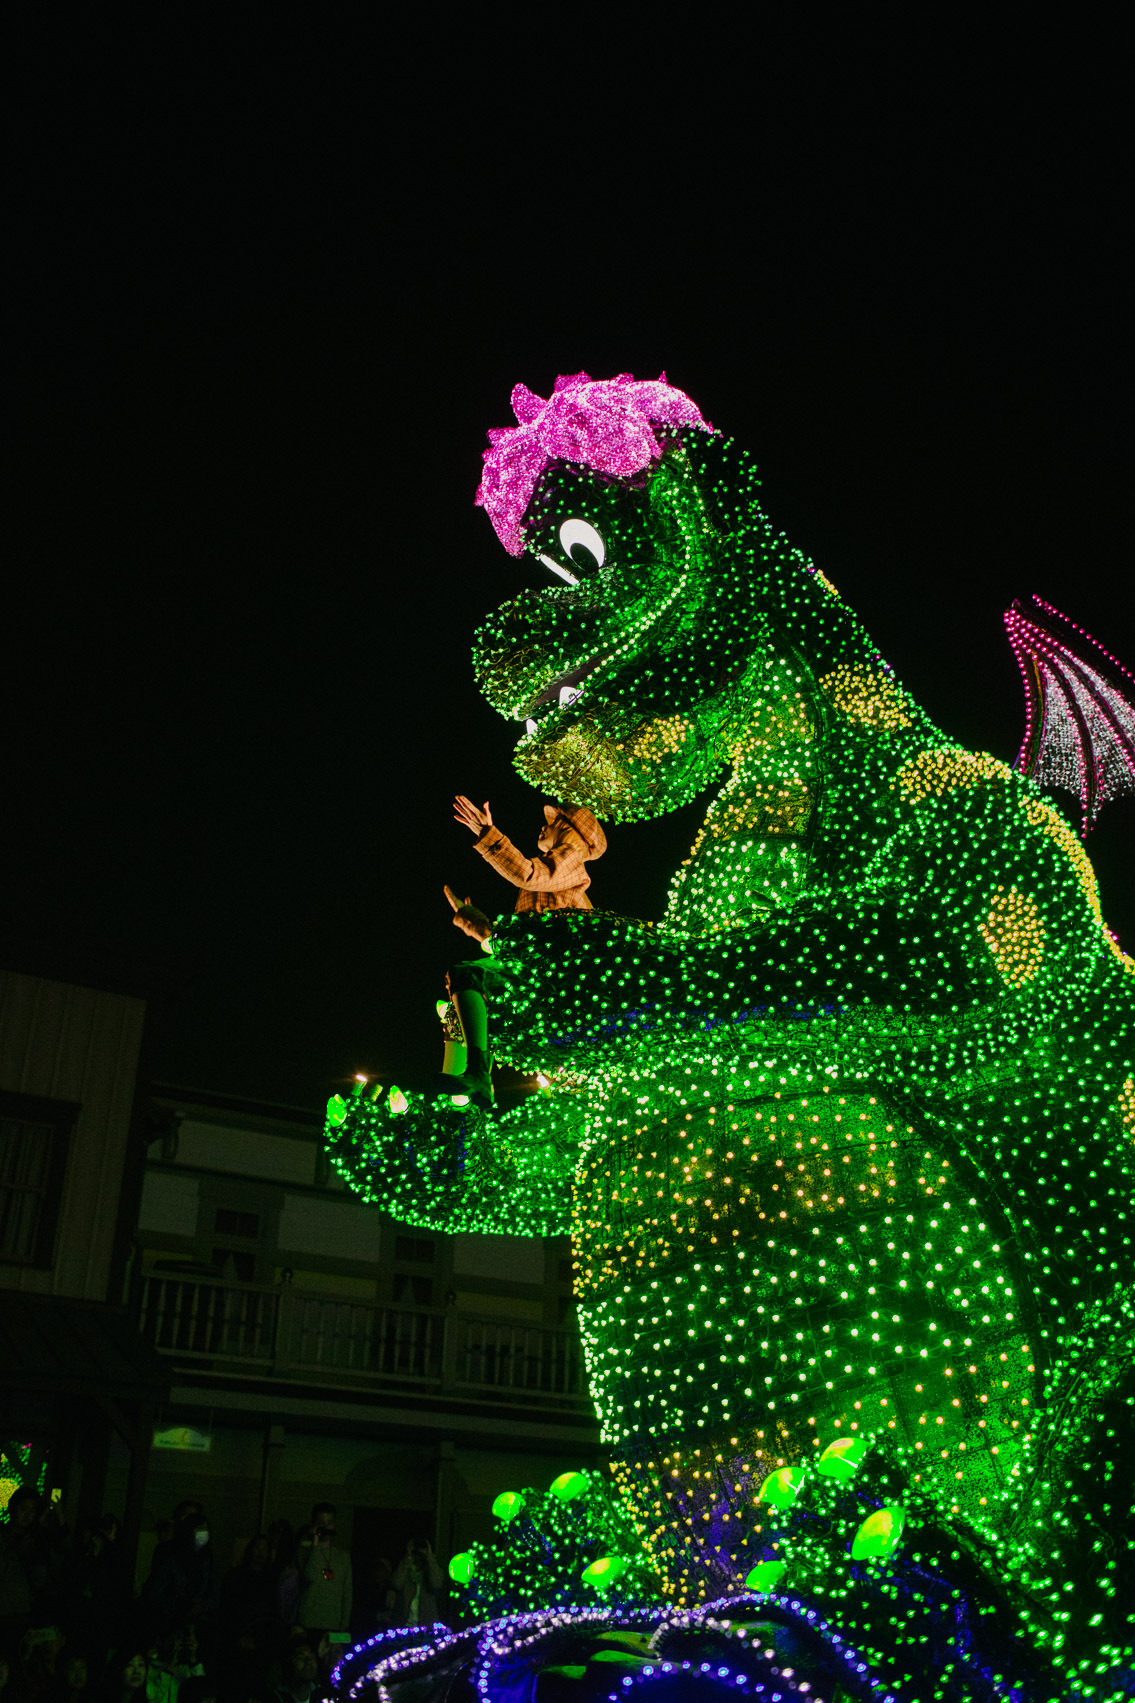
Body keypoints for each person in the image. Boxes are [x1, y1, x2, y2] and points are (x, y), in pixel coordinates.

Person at [438, 797, 607, 1104]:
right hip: (536, 969)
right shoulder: (555, 880)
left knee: (471, 980)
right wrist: (477, 926)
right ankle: (479, 1077)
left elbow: (528, 874)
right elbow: (523, 943)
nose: (543, 825)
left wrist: (488, 834)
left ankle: (479, 1074)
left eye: (553, 822)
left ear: (571, 832)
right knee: (469, 983)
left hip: (553, 979)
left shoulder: (570, 860)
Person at [295, 1507, 350, 1646]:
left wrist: (344, 1623)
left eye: (330, 1522)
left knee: (332, 1666)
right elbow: (310, 1576)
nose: (326, 1526)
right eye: (321, 1522)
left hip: (334, 1625)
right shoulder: (303, 1552)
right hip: (307, 1624)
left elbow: (347, 1591)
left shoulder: (343, 1556)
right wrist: (315, 1542)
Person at [389, 1539, 442, 1630]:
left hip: (426, 1628)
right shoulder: (405, 1570)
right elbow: (397, 1584)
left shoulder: (431, 1571)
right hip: (404, 1627)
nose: (418, 1557)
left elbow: (436, 1584)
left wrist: (429, 1556)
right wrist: (408, 1556)